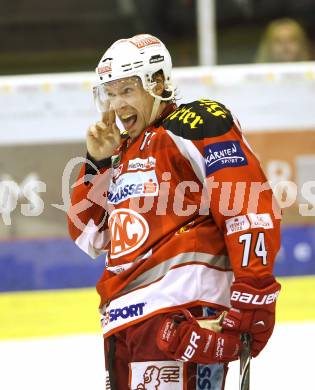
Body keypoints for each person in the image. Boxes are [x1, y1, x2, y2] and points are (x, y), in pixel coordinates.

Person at [68, 34, 281, 389]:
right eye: (111, 92)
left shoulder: (195, 123)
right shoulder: (123, 152)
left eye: (127, 90)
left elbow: (246, 205)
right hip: (123, 327)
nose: (117, 104)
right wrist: (97, 163)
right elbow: (90, 236)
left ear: (159, 82)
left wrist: (253, 292)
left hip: (181, 318)